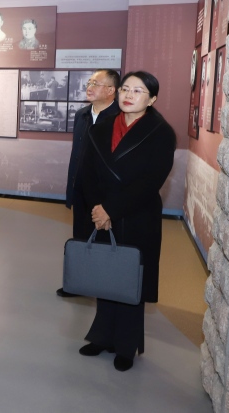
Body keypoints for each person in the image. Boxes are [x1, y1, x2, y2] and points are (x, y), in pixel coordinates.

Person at [78, 71, 176, 372]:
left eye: (137, 91)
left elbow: (151, 181)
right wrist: (98, 209)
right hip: (100, 214)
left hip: (137, 215)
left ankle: (126, 345)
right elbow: (86, 172)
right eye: (124, 89)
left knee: (131, 280)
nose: (128, 95)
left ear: (152, 98)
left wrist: (111, 209)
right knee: (105, 275)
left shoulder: (161, 132)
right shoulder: (101, 127)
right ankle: (102, 336)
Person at [59, 69, 120, 297]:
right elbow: (77, 154)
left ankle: (102, 286)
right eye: (89, 82)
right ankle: (78, 284)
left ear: (111, 90)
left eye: (96, 83)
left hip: (104, 194)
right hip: (80, 189)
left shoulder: (119, 118)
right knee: (80, 237)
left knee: (103, 240)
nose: (89, 87)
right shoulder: (82, 115)